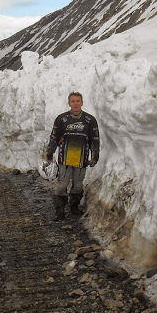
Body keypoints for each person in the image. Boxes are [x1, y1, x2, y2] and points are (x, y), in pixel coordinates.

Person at [46, 92, 100, 220]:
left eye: (78, 101)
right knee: (61, 185)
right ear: (69, 103)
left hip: (81, 160)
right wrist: (49, 153)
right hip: (64, 159)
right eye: (73, 101)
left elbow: (95, 140)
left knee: (78, 185)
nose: (75, 103)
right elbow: (54, 137)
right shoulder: (61, 119)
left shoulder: (90, 120)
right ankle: (59, 212)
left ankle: (74, 207)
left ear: (82, 102)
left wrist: (95, 156)